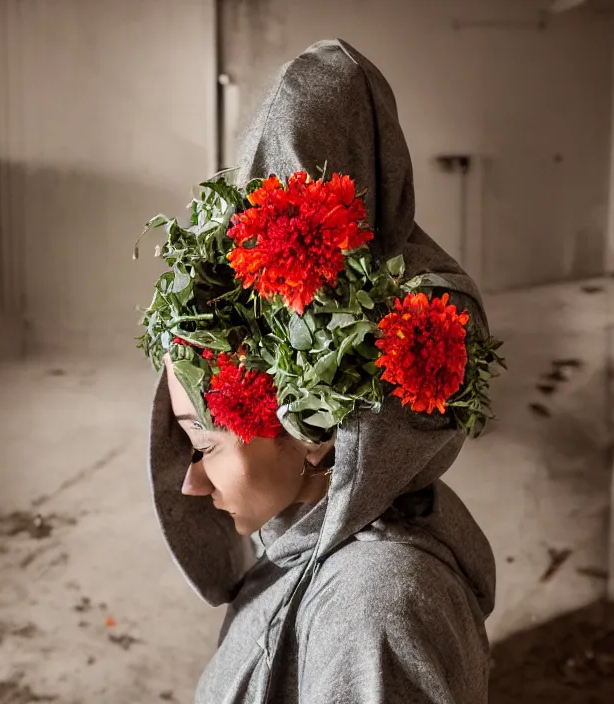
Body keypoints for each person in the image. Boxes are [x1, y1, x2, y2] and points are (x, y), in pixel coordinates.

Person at [142, 38, 498, 704]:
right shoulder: (310, 546)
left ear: (316, 431)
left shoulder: (373, 619)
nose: (189, 482)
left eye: (206, 443)